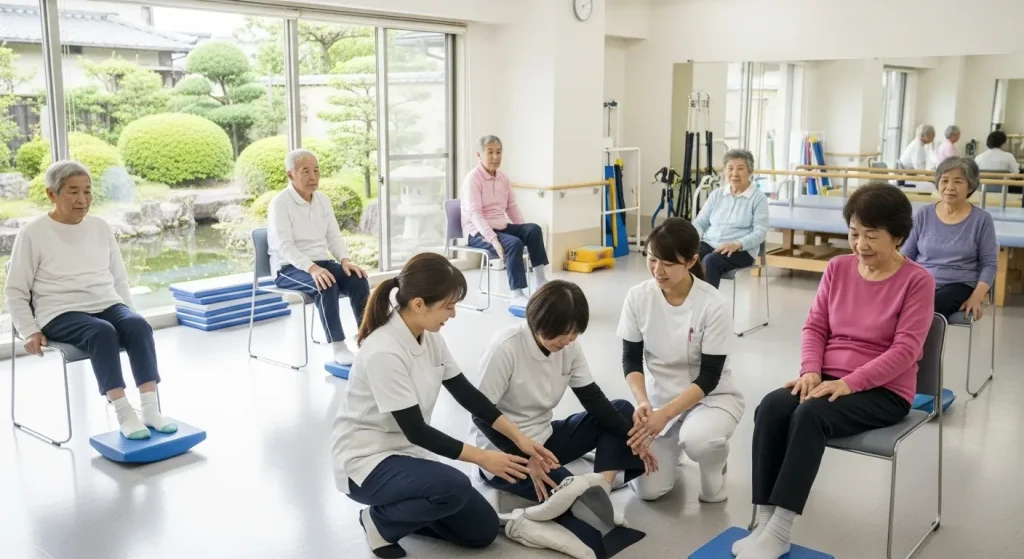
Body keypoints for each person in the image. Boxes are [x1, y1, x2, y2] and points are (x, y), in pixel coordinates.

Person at [735, 183, 934, 559]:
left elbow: (906, 351)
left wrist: (848, 383)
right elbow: (815, 327)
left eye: (872, 235)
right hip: (828, 380)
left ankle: (780, 530)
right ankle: (762, 519)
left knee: (811, 414)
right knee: (772, 406)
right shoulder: (838, 268)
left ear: (899, 237)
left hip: (884, 391)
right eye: (854, 234)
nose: (860, 245)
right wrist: (811, 371)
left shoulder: (918, 281)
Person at [331, 252, 558, 559]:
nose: (452, 314)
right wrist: (482, 458)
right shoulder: (384, 351)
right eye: (449, 306)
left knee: (483, 531)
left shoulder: (428, 336)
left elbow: (467, 393)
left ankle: (406, 512)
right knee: (454, 486)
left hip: (406, 456)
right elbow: (416, 431)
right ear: (418, 304)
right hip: (367, 461)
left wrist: (518, 438)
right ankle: (378, 520)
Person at [471, 279, 657, 554]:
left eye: (574, 334)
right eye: (561, 334)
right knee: (572, 496)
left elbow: (594, 400)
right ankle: (527, 521)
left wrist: (634, 438)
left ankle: (601, 490)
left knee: (621, 411)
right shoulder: (505, 347)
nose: (568, 341)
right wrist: (527, 457)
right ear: (538, 320)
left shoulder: (569, 346)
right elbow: (480, 415)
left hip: (545, 438)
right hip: (505, 451)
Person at [5, 161, 176, 440]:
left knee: (138, 326)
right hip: (59, 312)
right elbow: (15, 289)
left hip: (106, 302)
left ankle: (150, 409)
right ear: (51, 194)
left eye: (87, 191)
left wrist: (128, 314)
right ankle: (123, 411)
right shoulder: (33, 233)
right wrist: (30, 330)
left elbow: (118, 277)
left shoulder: (99, 227)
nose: (82, 199)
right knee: (102, 332)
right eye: (73, 192)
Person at [618, 217, 745, 503]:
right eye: (652, 259)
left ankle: (715, 464)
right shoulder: (638, 297)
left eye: (668, 263)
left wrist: (665, 415)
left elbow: (710, 377)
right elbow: (630, 359)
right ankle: (671, 450)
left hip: (711, 398)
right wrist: (642, 402)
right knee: (646, 491)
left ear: (691, 261)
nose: (657, 270)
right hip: (659, 399)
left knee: (700, 441)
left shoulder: (713, 304)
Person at [268, 148, 369, 366]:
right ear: (290, 175)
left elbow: (333, 236)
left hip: (321, 263)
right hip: (289, 267)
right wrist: (312, 269)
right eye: (306, 171)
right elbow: (284, 246)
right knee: (325, 284)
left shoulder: (322, 200)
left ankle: (367, 339)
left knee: (358, 279)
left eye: (316, 171)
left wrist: (345, 260)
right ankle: (338, 346)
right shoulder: (280, 203)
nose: (313, 176)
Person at [902, 157, 998, 319]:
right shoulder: (923, 214)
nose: (950, 187)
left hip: (959, 284)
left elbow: (989, 264)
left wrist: (976, 297)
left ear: (971, 186)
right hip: (922, 281)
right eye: (944, 180)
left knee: (931, 308)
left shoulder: (981, 219)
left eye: (958, 181)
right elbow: (906, 256)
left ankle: (913, 344)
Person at [461, 135, 550, 306]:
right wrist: (494, 241)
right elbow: (475, 214)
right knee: (513, 243)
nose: (495, 157)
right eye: (490, 152)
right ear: (479, 155)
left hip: (500, 226)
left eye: (499, 152)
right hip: (477, 232)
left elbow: (512, 207)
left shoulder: (503, 178)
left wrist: (524, 230)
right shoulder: (473, 179)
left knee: (534, 229)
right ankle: (517, 294)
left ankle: (540, 283)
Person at [692, 149, 769, 288]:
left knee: (711, 261)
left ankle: (708, 307)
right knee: (686, 256)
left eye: (740, 169)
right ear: (725, 171)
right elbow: (700, 223)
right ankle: (684, 302)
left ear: (750, 172)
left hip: (740, 251)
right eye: (730, 168)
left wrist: (737, 244)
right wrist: (693, 239)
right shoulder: (717, 194)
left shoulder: (758, 198)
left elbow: (760, 232)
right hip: (709, 243)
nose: (734, 173)